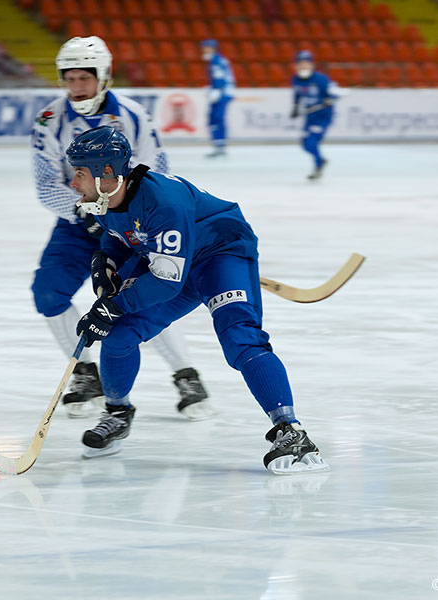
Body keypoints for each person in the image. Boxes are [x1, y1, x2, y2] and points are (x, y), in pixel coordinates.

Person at [65, 126, 330, 474]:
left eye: (80, 173)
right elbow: (120, 236)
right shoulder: (103, 196)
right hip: (169, 262)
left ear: (107, 173)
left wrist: (113, 305)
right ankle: (118, 412)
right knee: (118, 335)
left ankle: (290, 432)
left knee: (241, 339)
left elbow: (166, 283)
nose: (73, 183)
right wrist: (107, 263)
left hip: (220, 255)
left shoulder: (164, 203)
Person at [31, 36, 213, 420]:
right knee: (47, 293)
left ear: (104, 76)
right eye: (70, 78)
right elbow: (47, 185)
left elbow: (157, 172)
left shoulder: (133, 115)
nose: (77, 86)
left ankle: (185, 373)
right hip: (78, 221)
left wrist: (125, 214)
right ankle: (85, 375)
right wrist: (88, 214)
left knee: (141, 295)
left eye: (85, 77)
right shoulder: (49, 120)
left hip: (131, 222)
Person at [290, 50, 340, 180]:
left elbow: (333, 91)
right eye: (300, 64)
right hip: (309, 116)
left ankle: (318, 165)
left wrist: (331, 98)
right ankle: (320, 160)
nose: (303, 66)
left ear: (312, 65)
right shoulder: (295, 79)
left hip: (322, 116)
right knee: (305, 144)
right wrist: (295, 107)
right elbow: (297, 94)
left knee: (312, 141)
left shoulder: (321, 79)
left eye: (306, 63)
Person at [200, 39, 234, 159]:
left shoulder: (215, 60)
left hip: (222, 93)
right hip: (224, 92)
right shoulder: (218, 59)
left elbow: (220, 77)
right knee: (216, 118)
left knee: (216, 118)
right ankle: (219, 144)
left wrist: (216, 90)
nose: (204, 50)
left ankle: (219, 145)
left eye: (206, 47)